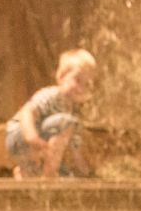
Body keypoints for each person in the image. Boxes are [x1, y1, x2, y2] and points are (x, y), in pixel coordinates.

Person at [6, 48, 97, 178]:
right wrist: (31, 137)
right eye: (77, 80)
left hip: (40, 140)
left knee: (67, 173)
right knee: (66, 122)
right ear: (61, 77)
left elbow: (73, 145)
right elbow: (27, 112)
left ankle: (26, 172)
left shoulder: (73, 112)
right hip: (21, 133)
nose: (81, 88)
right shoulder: (51, 95)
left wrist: (82, 166)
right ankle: (49, 174)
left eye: (87, 84)